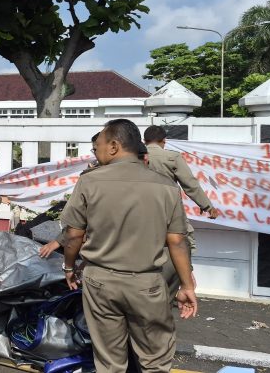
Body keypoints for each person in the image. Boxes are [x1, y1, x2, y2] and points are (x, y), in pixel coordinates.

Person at [60, 119, 197, 373]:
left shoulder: (89, 182)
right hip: (147, 284)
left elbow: (73, 235)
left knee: (110, 362)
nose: (96, 151)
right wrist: (187, 285)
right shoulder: (166, 186)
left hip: (100, 282)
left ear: (113, 146)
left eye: (98, 145)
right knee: (155, 361)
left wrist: (69, 267)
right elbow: (177, 241)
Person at [144, 125, 216, 295]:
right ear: (164, 141)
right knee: (183, 243)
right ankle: (185, 281)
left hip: (140, 213)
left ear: (144, 141)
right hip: (169, 211)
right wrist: (207, 206)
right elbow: (190, 185)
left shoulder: (135, 157)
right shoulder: (172, 157)